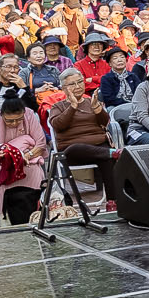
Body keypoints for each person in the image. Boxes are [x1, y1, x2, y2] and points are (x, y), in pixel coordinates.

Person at [0, 86, 49, 225]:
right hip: (1, 161)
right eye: (9, 121)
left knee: (34, 170)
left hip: (28, 159)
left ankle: (36, 213)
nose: (14, 123)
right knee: (6, 171)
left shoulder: (30, 115)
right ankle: (5, 218)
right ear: (2, 114)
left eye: (18, 119)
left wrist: (28, 155)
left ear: (23, 113)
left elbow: (41, 143)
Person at [45, 68, 116, 210]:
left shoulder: (92, 101)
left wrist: (97, 108)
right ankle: (112, 153)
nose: (77, 87)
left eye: (79, 82)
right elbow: (58, 126)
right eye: (72, 84)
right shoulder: (58, 106)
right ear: (63, 88)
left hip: (98, 148)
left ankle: (112, 202)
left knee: (107, 158)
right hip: (73, 152)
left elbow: (104, 122)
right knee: (78, 147)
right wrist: (72, 106)